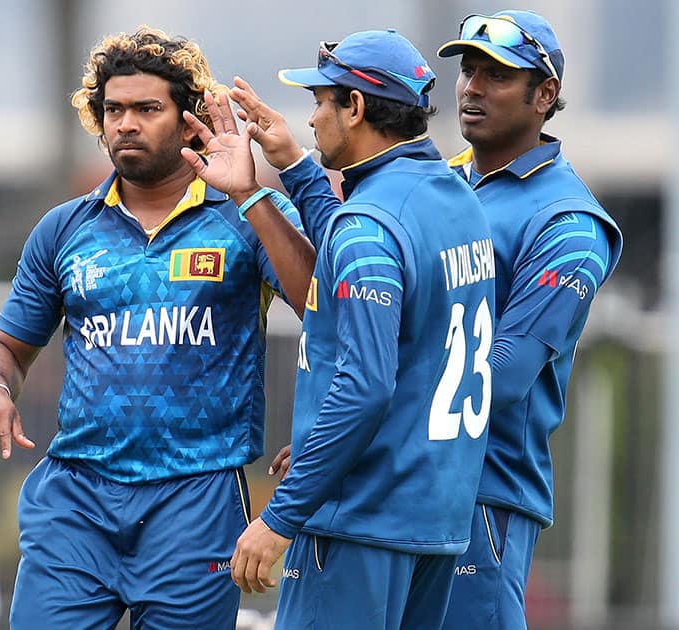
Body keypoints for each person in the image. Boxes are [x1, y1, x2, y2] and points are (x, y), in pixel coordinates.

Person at [0, 26, 314, 629]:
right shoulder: (65, 228)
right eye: (114, 110)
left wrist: (252, 195)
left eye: (147, 109)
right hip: (76, 501)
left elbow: (324, 309)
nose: (126, 123)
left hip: (196, 502)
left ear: (187, 118)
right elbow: (6, 349)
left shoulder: (244, 216)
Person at [193, 30, 497, 628]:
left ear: (355, 107)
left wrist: (279, 518)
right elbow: (359, 250)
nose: (310, 120)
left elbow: (363, 388)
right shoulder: (455, 199)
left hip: (360, 521)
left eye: (321, 103)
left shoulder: (370, 224)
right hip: (434, 520)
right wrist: (288, 171)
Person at [433, 11, 623, 628]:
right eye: (468, 71)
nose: (472, 88)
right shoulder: (439, 184)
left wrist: (373, 415)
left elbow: (504, 373)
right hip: (403, 479)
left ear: (545, 96)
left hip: (483, 495)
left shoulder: (569, 222)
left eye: (497, 75)